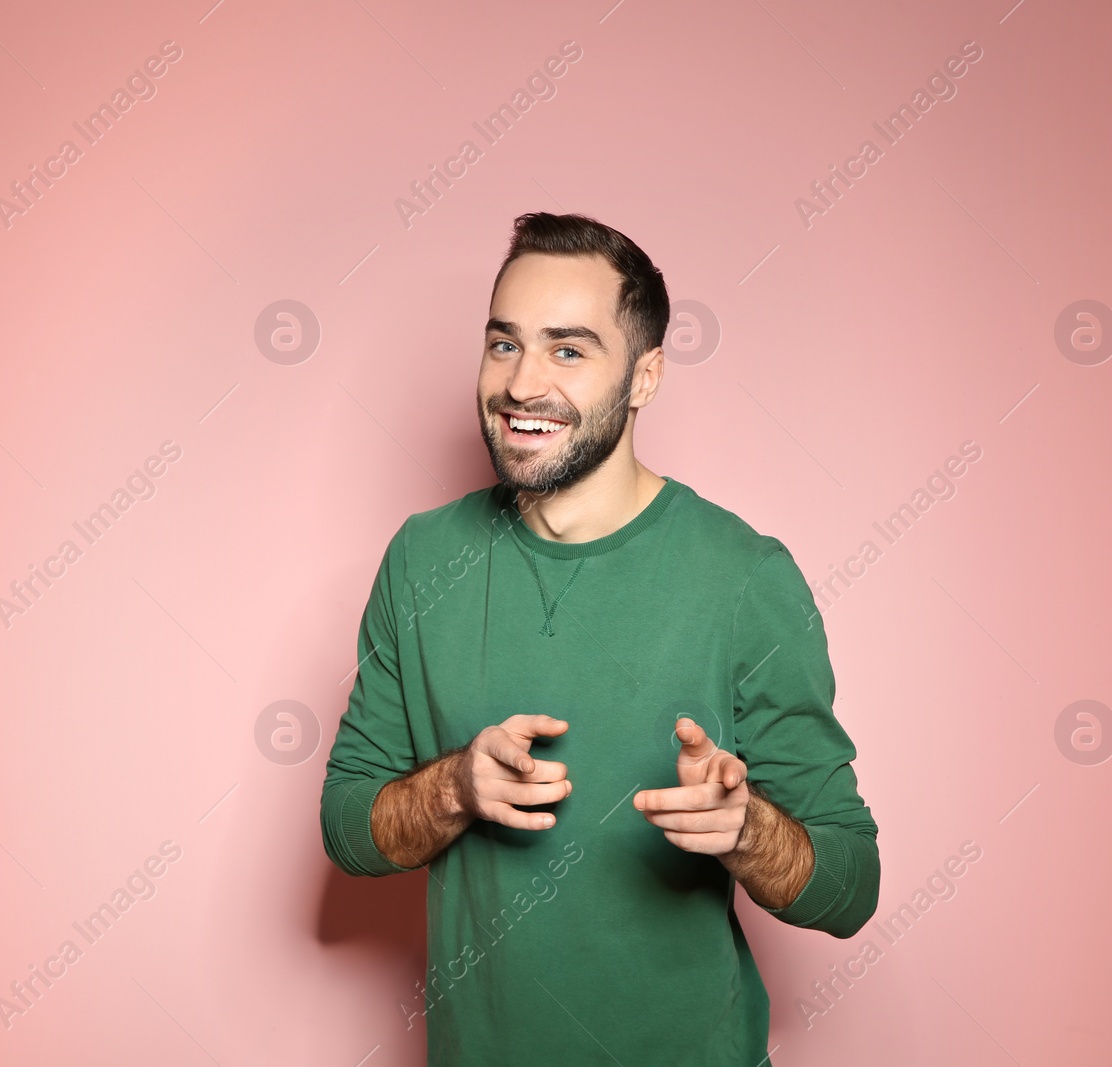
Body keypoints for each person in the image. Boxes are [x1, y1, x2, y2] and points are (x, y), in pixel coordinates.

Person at [319, 211, 879, 1066]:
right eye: (503, 344)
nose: (522, 382)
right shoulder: (420, 559)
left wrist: (746, 828)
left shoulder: (745, 577)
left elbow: (850, 888)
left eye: (569, 350)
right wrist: (455, 789)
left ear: (645, 375)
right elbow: (348, 828)